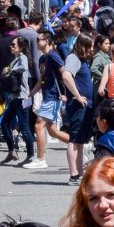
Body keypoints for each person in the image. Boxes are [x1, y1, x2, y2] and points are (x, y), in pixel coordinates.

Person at [0, 35, 36, 166]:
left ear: (21, 47)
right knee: (5, 123)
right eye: (11, 45)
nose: (11, 47)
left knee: (25, 127)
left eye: (14, 45)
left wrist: (9, 70)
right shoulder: (15, 59)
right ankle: (12, 151)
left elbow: (24, 68)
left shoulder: (22, 57)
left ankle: (31, 155)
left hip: (21, 97)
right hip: (13, 97)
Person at [29, 31, 70, 172]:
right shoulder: (42, 59)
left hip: (53, 96)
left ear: (47, 41)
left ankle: (40, 159)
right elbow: (41, 80)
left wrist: (67, 93)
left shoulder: (54, 56)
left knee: (38, 125)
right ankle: (79, 144)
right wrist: (31, 94)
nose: (36, 42)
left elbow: (64, 73)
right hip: (47, 95)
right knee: (52, 131)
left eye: (39, 39)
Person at [62, 33, 94, 185]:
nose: (91, 50)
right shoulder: (73, 58)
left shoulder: (81, 59)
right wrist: (78, 95)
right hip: (77, 104)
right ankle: (74, 174)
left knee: (80, 141)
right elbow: (66, 76)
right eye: (89, 47)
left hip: (84, 105)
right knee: (75, 140)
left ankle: (80, 173)